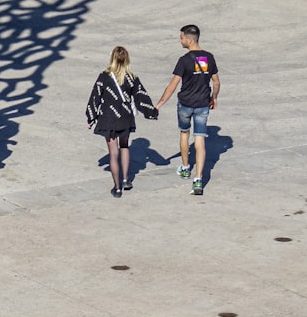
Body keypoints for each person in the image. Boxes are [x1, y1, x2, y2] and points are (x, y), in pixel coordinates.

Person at [154, 24, 221, 195]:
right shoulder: (209, 57)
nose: (180, 40)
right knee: (200, 140)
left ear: (189, 40)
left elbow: (172, 86)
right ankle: (198, 179)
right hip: (202, 105)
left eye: (182, 37)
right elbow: (216, 82)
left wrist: (159, 104)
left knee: (185, 133)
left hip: (185, 104)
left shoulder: (184, 60)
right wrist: (214, 98)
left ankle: (185, 168)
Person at [86, 46, 159, 198]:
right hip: (125, 118)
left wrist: (91, 118)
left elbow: (95, 97)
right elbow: (141, 97)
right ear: (127, 59)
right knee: (124, 146)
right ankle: (126, 179)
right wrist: (151, 112)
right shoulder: (131, 77)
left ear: (112, 58)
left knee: (113, 153)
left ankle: (117, 187)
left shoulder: (104, 77)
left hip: (108, 119)